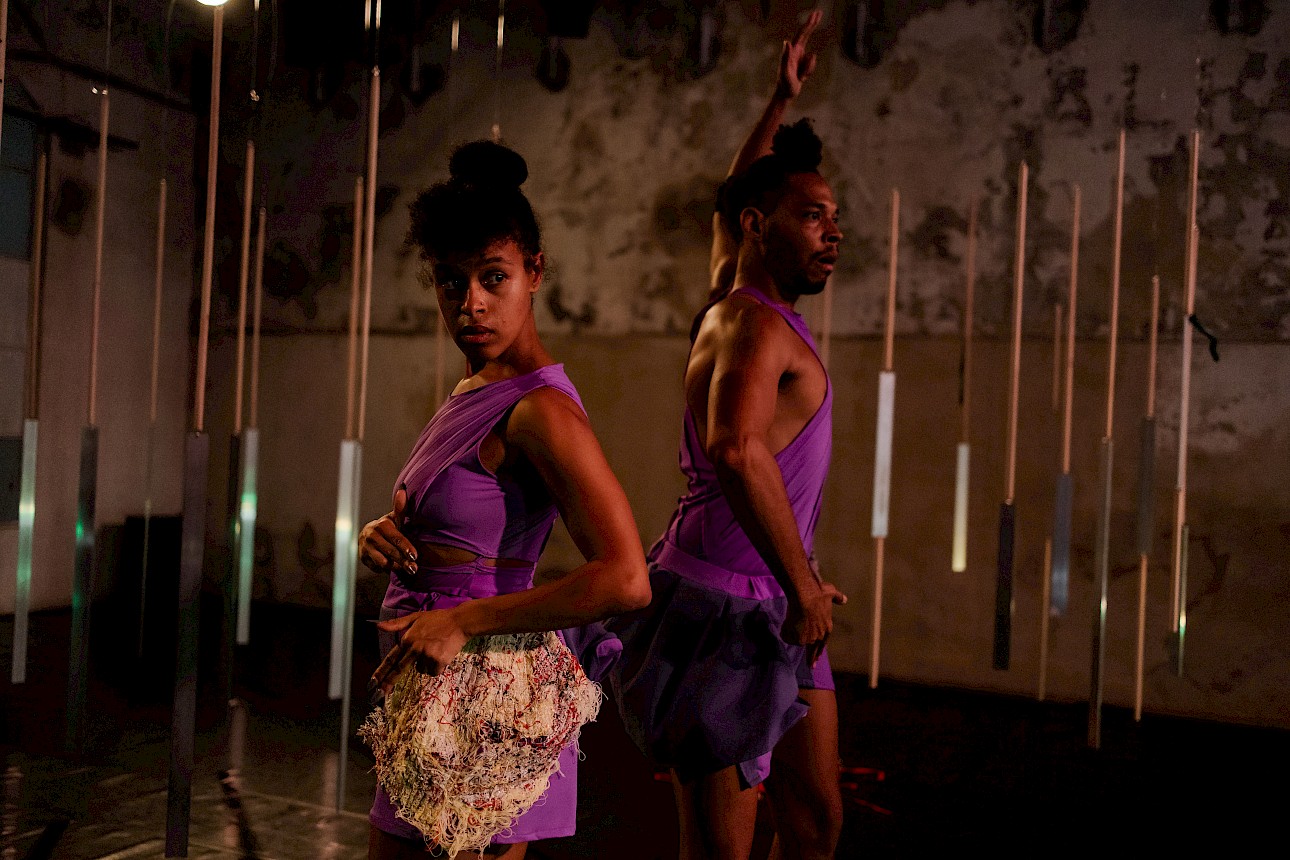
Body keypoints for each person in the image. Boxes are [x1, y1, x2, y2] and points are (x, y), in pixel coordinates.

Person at [358, 140, 650, 860]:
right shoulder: (475, 391)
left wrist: (464, 620)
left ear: (535, 272)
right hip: (431, 692)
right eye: (451, 283)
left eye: (494, 278)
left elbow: (626, 579)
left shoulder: (540, 410)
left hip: (485, 695)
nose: (472, 303)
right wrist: (385, 536)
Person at [610, 11, 847, 859]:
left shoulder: (730, 297)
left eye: (833, 217)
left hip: (778, 606)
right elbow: (737, 449)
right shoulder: (751, 328)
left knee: (816, 823)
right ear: (760, 226)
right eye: (815, 216)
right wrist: (804, 587)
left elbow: (736, 194)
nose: (834, 233)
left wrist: (776, 105)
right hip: (726, 609)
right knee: (721, 849)